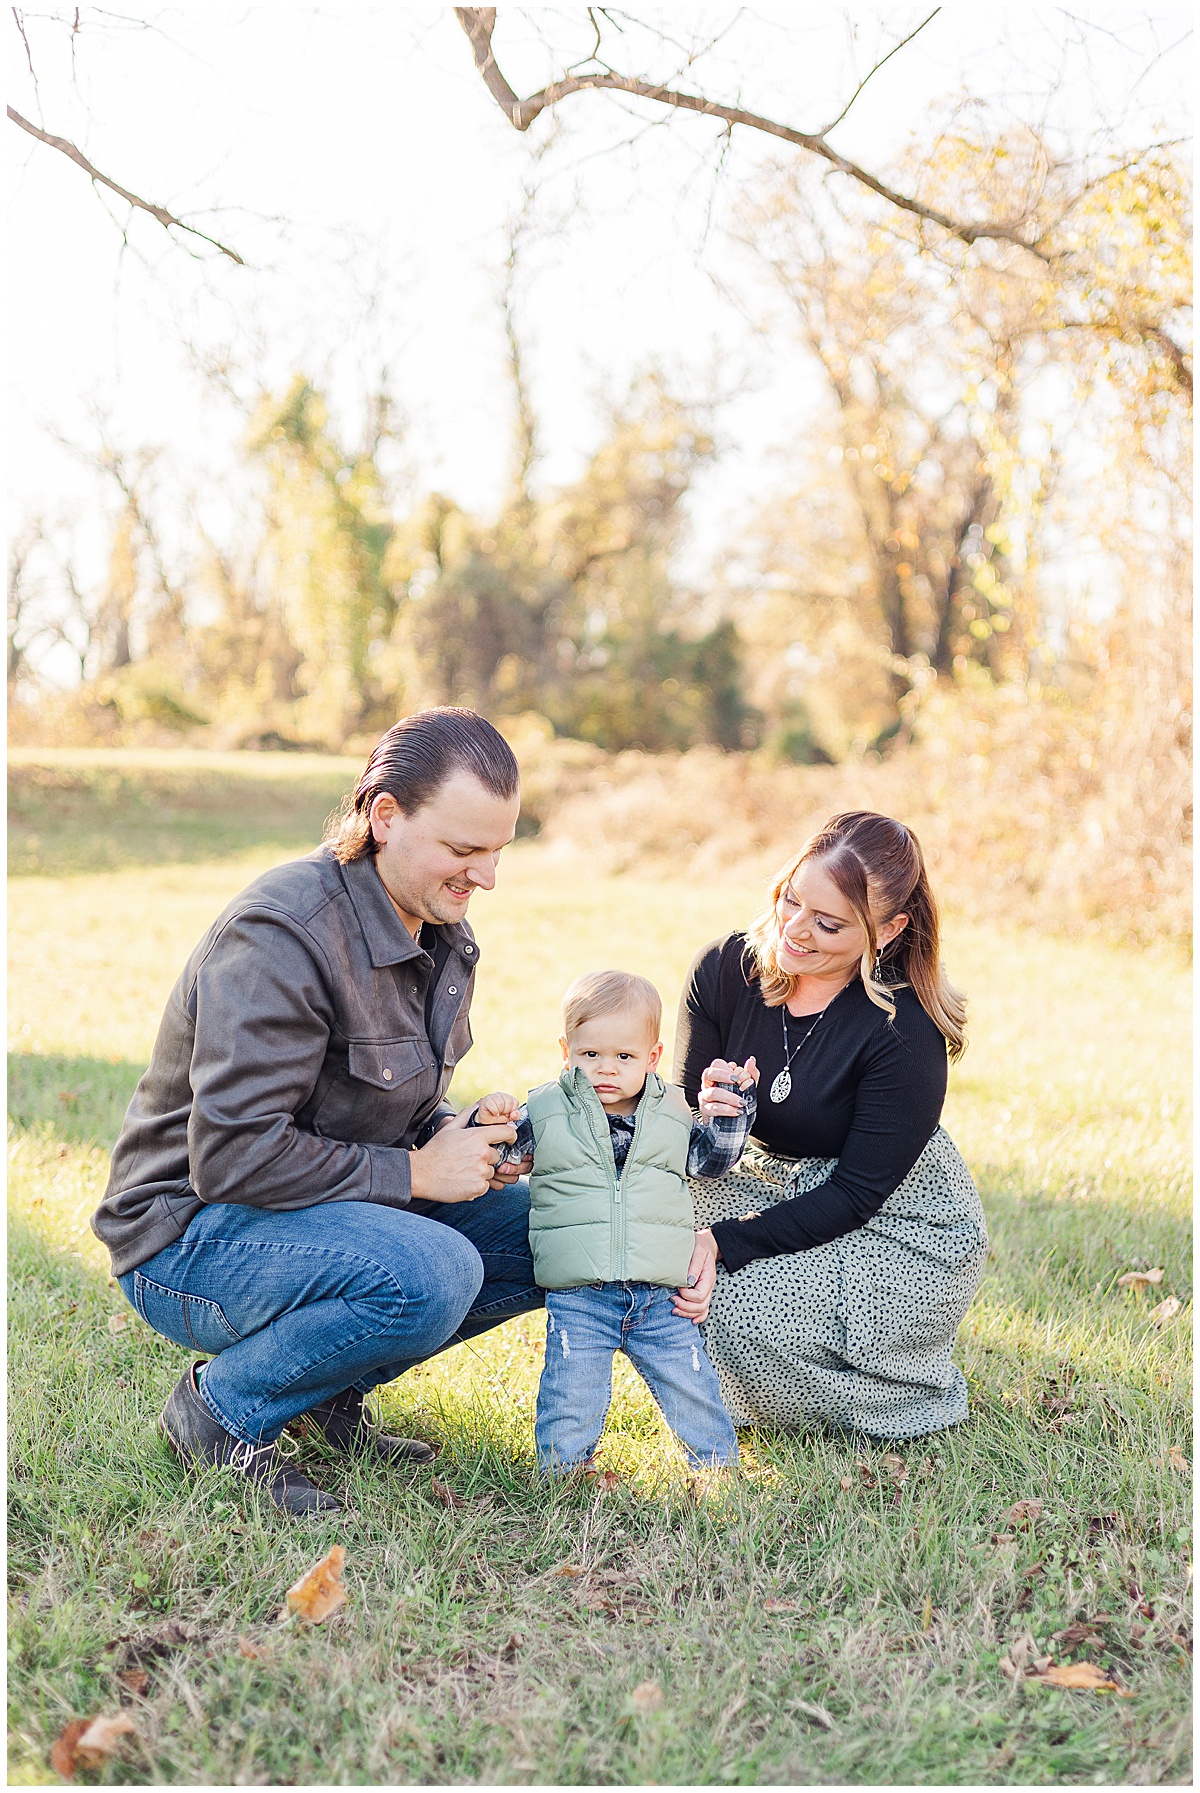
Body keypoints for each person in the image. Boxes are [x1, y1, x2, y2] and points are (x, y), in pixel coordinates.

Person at [92, 707, 543, 1517]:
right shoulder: (282, 934)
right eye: (465, 849)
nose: (487, 877)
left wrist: (453, 1134)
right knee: (434, 1272)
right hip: (189, 1233)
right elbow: (231, 1157)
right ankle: (220, 1413)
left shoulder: (433, 919)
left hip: (308, 1212)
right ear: (384, 816)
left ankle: (319, 1396)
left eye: (499, 849)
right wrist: (415, 1173)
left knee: (553, 1225)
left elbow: (381, 1095)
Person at [675, 810, 988, 1440]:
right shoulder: (723, 970)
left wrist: (724, 1242)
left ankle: (903, 1395)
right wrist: (700, 1117)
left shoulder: (905, 1030)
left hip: (896, 1223)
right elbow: (680, 1123)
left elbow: (857, 1194)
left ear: (890, 929)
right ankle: (736, 1388)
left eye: (829, 923)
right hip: (755, 1179)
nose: (795, 930)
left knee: (732, 1303)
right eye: (792, 900)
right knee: (655, 1258)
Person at [472, 970, 757, 1475]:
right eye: (590, 1055)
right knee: (570, 1391)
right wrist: (488, 1121)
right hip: (580, 1293)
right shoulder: (546, 1110)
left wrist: (732, 1112)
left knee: (691, 1384)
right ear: (567, 1051)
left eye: (624, 1057)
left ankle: (716, 1466)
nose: (606, 1070)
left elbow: (712, 1160)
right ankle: (562, 1475)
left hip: (659, 1293)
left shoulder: (672, 1111)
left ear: (651, 1057)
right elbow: (500, 1157)